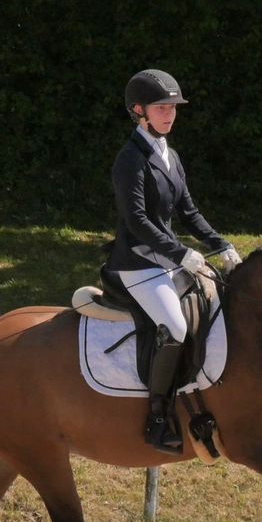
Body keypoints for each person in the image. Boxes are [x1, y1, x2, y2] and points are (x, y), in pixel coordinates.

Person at [103, 68, 242, 454]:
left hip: (164, 259)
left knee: (212, 308)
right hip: (136, 263)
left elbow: (189, 212)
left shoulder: (171, 156)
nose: (169, 114)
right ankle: (158, 415)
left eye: (173, 107)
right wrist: (180, 253)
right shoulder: (129, 159)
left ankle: (197, 401)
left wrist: (220, 244)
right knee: (176, 326)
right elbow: (137, 221)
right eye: (161, 107)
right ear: (138, 110)